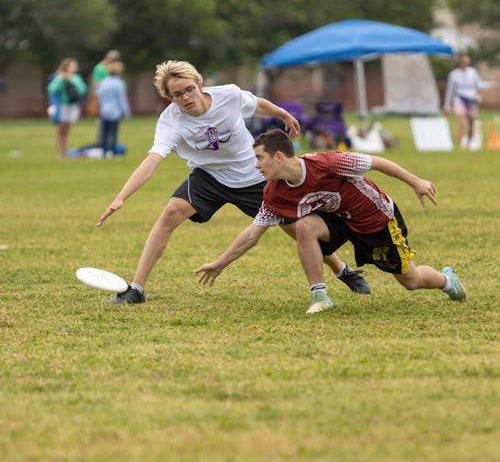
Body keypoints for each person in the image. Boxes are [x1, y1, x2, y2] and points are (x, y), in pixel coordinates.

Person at [96, 60, 370, 304]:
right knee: (170, 213)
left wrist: (283, 114)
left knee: (295, 226)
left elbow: (258, 104)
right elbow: (152, 160)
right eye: (177, 95)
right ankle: (137, 288)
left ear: (199, 83)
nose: (186, 97)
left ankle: (341, 270)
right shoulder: (170, 121)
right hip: (209, 176)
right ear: (169, 98)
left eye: (189, 89)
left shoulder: (228, 95)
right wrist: (121, 197)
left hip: (253, 174)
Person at [195, 128, 466, 314]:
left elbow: (377, 162)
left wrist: (415, 181)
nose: (256, 165)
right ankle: (320, 295)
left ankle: (446, 280)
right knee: (303, 226)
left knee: (411, 280)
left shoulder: (328, 163)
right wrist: (220, 263)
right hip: (339, 221)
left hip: (376, 219)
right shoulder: (274, 191)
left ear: (278, 157)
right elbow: (254, 233)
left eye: (259, 158)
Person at [442, 54, 490, 149]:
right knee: (461, 122)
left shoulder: (473, 72)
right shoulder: (454, 74)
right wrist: (446, 106)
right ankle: (460, 145)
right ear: (459, 63)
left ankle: (469, 142)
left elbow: (479, 84)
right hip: (459, 98)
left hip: (471, 99)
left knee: (472, 122)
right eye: (463, 62)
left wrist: (492, 84)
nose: (465, 63)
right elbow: (450, 91)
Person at [47, 58, 87, 158]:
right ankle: (60, 153)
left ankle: (65, 152)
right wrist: (61, 79)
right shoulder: (59, 77)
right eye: (73, 65)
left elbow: (82, 89)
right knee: (60, 130)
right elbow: (52, 88)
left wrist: (71, 80)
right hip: (62, 106)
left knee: (66, 131)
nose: (75, 67)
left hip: (72, 106)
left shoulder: (76, 78)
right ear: (67, 66)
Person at [96, 60, 130, 157]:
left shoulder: (103, 82)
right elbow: (122, 99)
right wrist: (126, 112)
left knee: (103, 133)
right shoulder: (119, 83)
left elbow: (99, 96)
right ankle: (112, 152)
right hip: (114, 112)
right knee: (113, 133)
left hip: (103, 111)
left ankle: (103, 152)